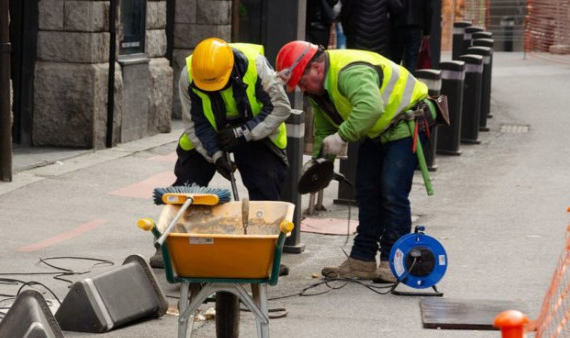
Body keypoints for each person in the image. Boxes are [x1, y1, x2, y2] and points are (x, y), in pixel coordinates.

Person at [275, 40, 436, 282]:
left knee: (392, 192)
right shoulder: (320, 92)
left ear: (317, 68)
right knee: (367, 192)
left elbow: (371, 107)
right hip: (377, 129)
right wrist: (321, 161)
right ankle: (362, 259)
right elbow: (323, 129)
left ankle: (394, 260)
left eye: (301, 81)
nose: (301, 89)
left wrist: (342, 136)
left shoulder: (349, 72)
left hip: (407, 123)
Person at [150, 38, 292, 270]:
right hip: (211, 130)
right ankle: (169, 243)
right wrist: (215, 156)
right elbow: (196, 123)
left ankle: (265, 253)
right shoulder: (189, 74)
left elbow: (279, 108)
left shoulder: (257, 67)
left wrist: (242, 133)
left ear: (230, 70)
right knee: (189, 183)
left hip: (256, 129)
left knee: (265, 185)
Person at [390, 0, 432, 71]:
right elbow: (428, 9)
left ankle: (394, 80)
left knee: (395, 59)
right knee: (411, 59)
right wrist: (427, 31)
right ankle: (409, 80)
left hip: (398, 25)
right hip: (416, 25)